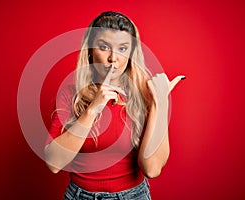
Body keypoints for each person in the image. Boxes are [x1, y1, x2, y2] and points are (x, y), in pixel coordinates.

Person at [44, 11, 185, 200]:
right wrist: (93, 109)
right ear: (91, 50)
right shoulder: (71, 94)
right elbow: (53, 163)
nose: (113, 58)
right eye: (104, 47)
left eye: (123, 48)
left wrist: (160, 102)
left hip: (134, 196)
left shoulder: (143, 94)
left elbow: (152, 169)